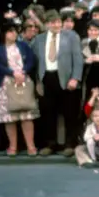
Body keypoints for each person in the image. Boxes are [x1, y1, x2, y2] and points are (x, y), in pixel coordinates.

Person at [33, 10, 83, 156]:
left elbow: (78, 59)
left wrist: (75, 78)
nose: (57, 25)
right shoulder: (39, 39)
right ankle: (50, 144)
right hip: (46, 79)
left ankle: (69, 144)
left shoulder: (71, 36)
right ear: (47, 24)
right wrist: (37, 81)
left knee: (70, 113)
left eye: (58, 22)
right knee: (48, 113)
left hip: (66, 79)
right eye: (53, 22)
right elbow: (35, 61)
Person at [0, 20, 39, 155]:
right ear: (3, 33)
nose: (14, 34)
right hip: (5, 84)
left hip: (23, 82)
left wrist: (23, 72)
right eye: (10, 31)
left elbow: (31, 61)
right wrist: (12, 73)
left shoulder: (23, 45)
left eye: (15, 31)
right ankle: (13, 147)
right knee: (9, 117)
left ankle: (31, 146)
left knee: (26, 115)